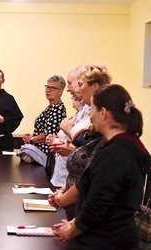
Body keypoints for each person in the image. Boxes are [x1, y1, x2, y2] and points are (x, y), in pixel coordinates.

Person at [53, 84, 151, 249]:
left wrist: (70, 232)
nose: (90, 116)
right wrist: (72, 223)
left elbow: (97, 204)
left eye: (92, 109)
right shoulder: (123, 145)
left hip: (107, 241)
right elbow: (89, 185)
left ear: (103, 113)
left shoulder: (116, 153)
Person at [48, 64, 112, 220]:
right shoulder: (90, 110)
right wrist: (64, 189)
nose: (76, 89)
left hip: (85, 201)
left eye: (80, 84)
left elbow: (91, 167)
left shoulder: (103, 119)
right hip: (73, 191)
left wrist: (63, 199)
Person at [20, 75, 67, 164]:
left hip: (46, 153)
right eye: (47, 87)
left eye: (52, 88)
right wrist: (33, 135)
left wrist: (32, 139)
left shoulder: (58, 108)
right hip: (41, 151)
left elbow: (49, 134)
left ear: (60, 92)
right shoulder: (50, 107)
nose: (48, 90)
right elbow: (44, 130)